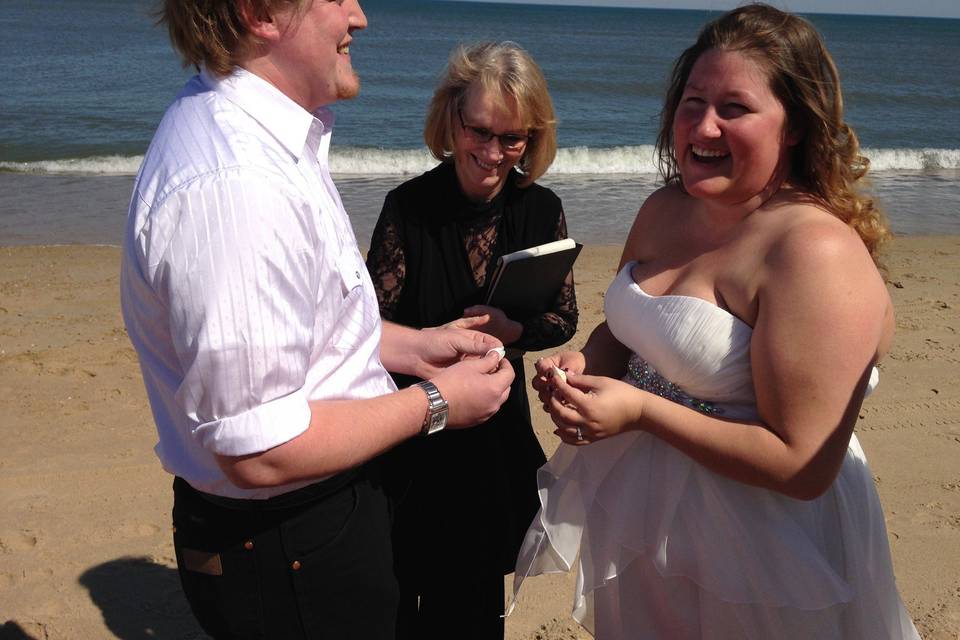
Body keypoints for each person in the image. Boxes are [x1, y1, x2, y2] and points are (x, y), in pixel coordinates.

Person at [511, 5, 920, 639]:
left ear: (794, 127)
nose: (703, 125)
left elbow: (802, 464)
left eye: (735, 107)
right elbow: (623, 330)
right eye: (692, 101)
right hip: (648, 522)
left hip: (764, 551)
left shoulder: (811, 250)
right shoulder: (664, 207)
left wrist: (641, 412)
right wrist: (588, 364)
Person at [119, 2, 515, 638]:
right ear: (261, 13)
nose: (359, 16)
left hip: (308, 522)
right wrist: (438, 403)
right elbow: (261, 449)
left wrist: (415, 348)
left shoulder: (267, 142)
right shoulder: (238, 183)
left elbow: (308, 325)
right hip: (288, 539)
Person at [365, 41, 578, 640]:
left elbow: (563, 318)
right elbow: (363, 329)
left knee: (474, 608)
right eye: (478, 131)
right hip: (413, 433)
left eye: (512, 139)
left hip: (493, 439)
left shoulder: (542, 209)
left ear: (532, 138)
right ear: (451, 118)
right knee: (400, 599)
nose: (491, 154)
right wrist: (427, 341)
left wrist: (515, 332)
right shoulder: (407, 208)